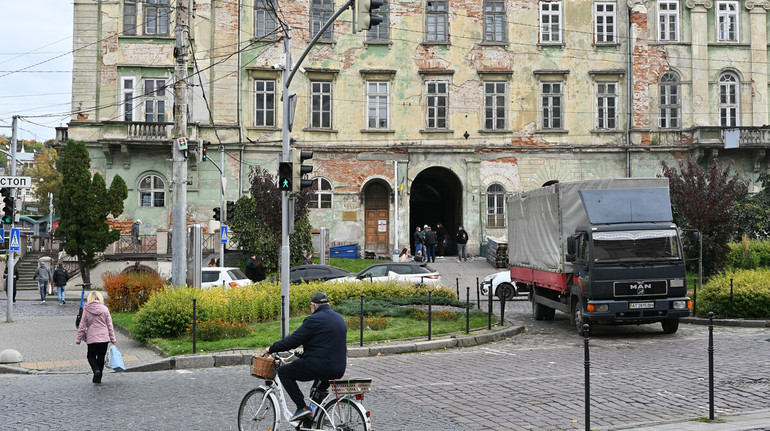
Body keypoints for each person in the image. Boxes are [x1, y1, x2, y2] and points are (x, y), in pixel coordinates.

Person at [265, 292, 347, 422]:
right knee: (315, 393)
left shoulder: (313, 319)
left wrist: (271, 348)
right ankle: (311, 421)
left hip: (320, 366)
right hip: (338, 368)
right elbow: (325, 345)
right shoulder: (339, 318)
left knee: (284, 372)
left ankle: (301, 407)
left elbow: (292, 341)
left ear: (313, 306)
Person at [75, 291, 117, 384]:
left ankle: (95, 370)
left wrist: (79, 338)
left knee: (91, 355)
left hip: (92, 337)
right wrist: (113, 338)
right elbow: (110, 325)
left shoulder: (87, 309)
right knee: (101, 357)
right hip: (104, 337)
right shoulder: (105, 309)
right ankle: (98, 377)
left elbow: (82, 325)